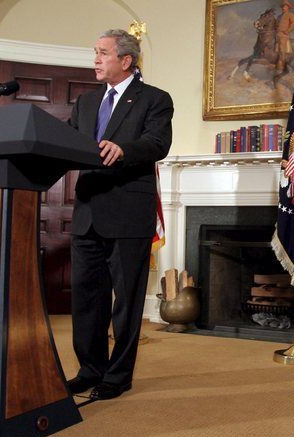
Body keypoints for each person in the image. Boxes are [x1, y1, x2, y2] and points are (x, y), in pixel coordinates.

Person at [66, 29, 173, 400]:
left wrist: (123, 149)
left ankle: (118, 375)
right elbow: (65, 143)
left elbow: (158, 143)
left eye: (102, 53)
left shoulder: (154, 100)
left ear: (125, 60)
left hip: (128, 212)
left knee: (126, 300)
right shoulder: (84, 103)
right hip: (87, 214)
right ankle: (89, 369)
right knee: (86, 298)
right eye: (95, 53)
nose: (95, 59)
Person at [276, 0, 294, 72]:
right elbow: (276, 25)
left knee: (282, 49)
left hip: (284, 35)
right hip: (277, 34)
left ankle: (282, 66)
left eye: (285, 6)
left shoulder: (290, 14)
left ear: (288, 7)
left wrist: (288, 31)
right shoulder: (279, 16)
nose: (283, 8)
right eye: (282, 6)